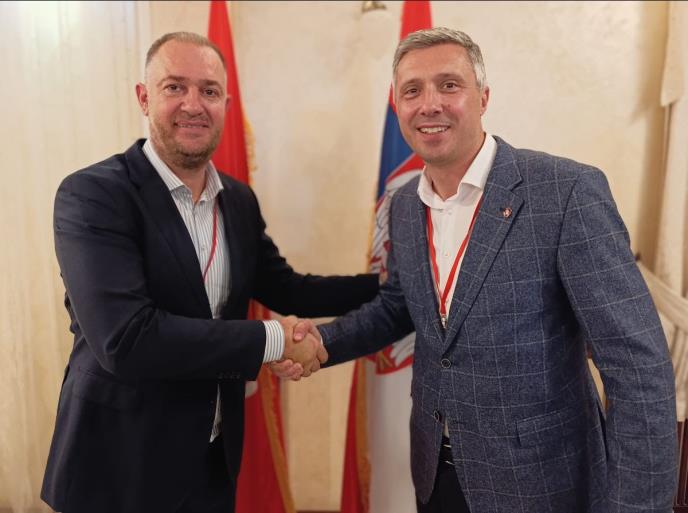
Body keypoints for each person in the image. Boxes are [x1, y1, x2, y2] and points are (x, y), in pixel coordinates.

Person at [289, 27, 678, 513]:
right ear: (397, 105)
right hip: (435, 476)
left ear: (483, 97)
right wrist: (324, 342)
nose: (429, 104)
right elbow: (401, 306)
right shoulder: (404, 204)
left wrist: (638, 507)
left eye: (449, 85)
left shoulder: (565, 192)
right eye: (412, 90)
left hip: (542, 485)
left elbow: (637, 367)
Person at [40, 31, 378, 513]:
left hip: (211, 460)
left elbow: (288, 288)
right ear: (144, 97)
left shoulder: (237, 200)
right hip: (116, 468)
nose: (193, 105)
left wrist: (392, 285)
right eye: (175, 87)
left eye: (209, 91)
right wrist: (275, 340)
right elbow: (127, 339)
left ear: (225, 105)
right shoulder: (93, 195)